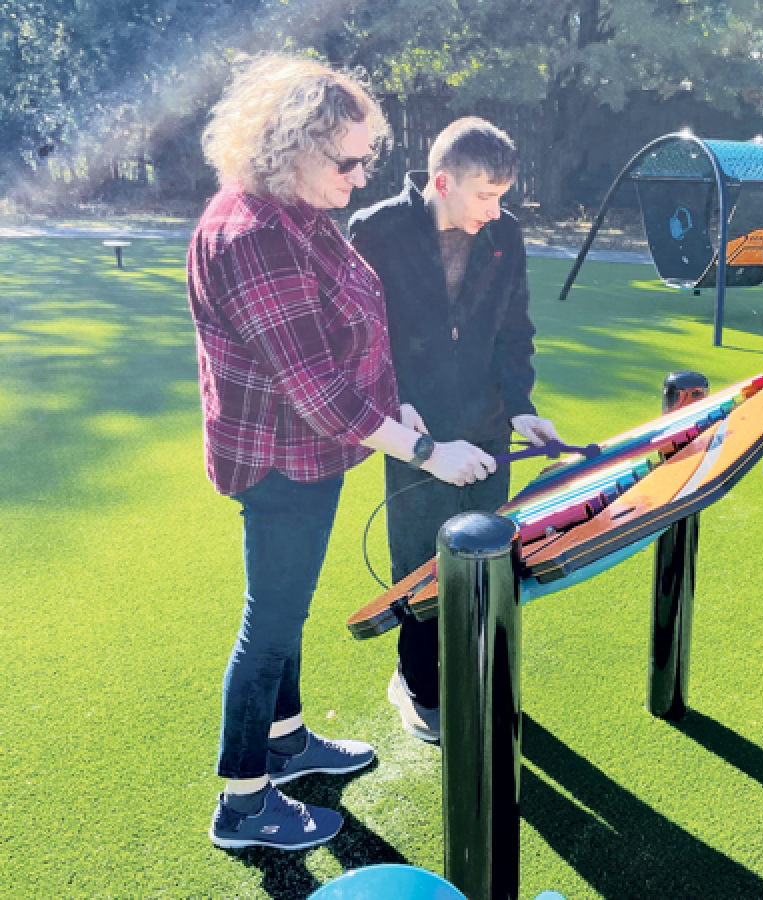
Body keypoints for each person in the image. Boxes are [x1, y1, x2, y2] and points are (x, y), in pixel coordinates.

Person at [188, 57, 495, 851]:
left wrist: (399, 403)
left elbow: (348, 327)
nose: (362, 177)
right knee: (272, 620)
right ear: (288, 147)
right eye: (347, 161)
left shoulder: (297, 210)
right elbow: (319, 394)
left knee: (282, 612)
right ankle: (244, 803)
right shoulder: (253, 235)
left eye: (367, 159)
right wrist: (430, 452)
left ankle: (285, 743)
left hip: (310, 455)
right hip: (281, 459)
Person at [349, 118, 559, 744]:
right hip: (415, 430)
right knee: (419, 562)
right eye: (484, 197)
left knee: (488, 557)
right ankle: (417, 684)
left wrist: (521, 406)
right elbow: (362, 341)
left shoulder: (506, 234)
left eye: (503, 197)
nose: (496, 211)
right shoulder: (376, 230)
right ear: (443, 182)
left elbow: (513, 330)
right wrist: (399, 409)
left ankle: (474, 673)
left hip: (491, 426)